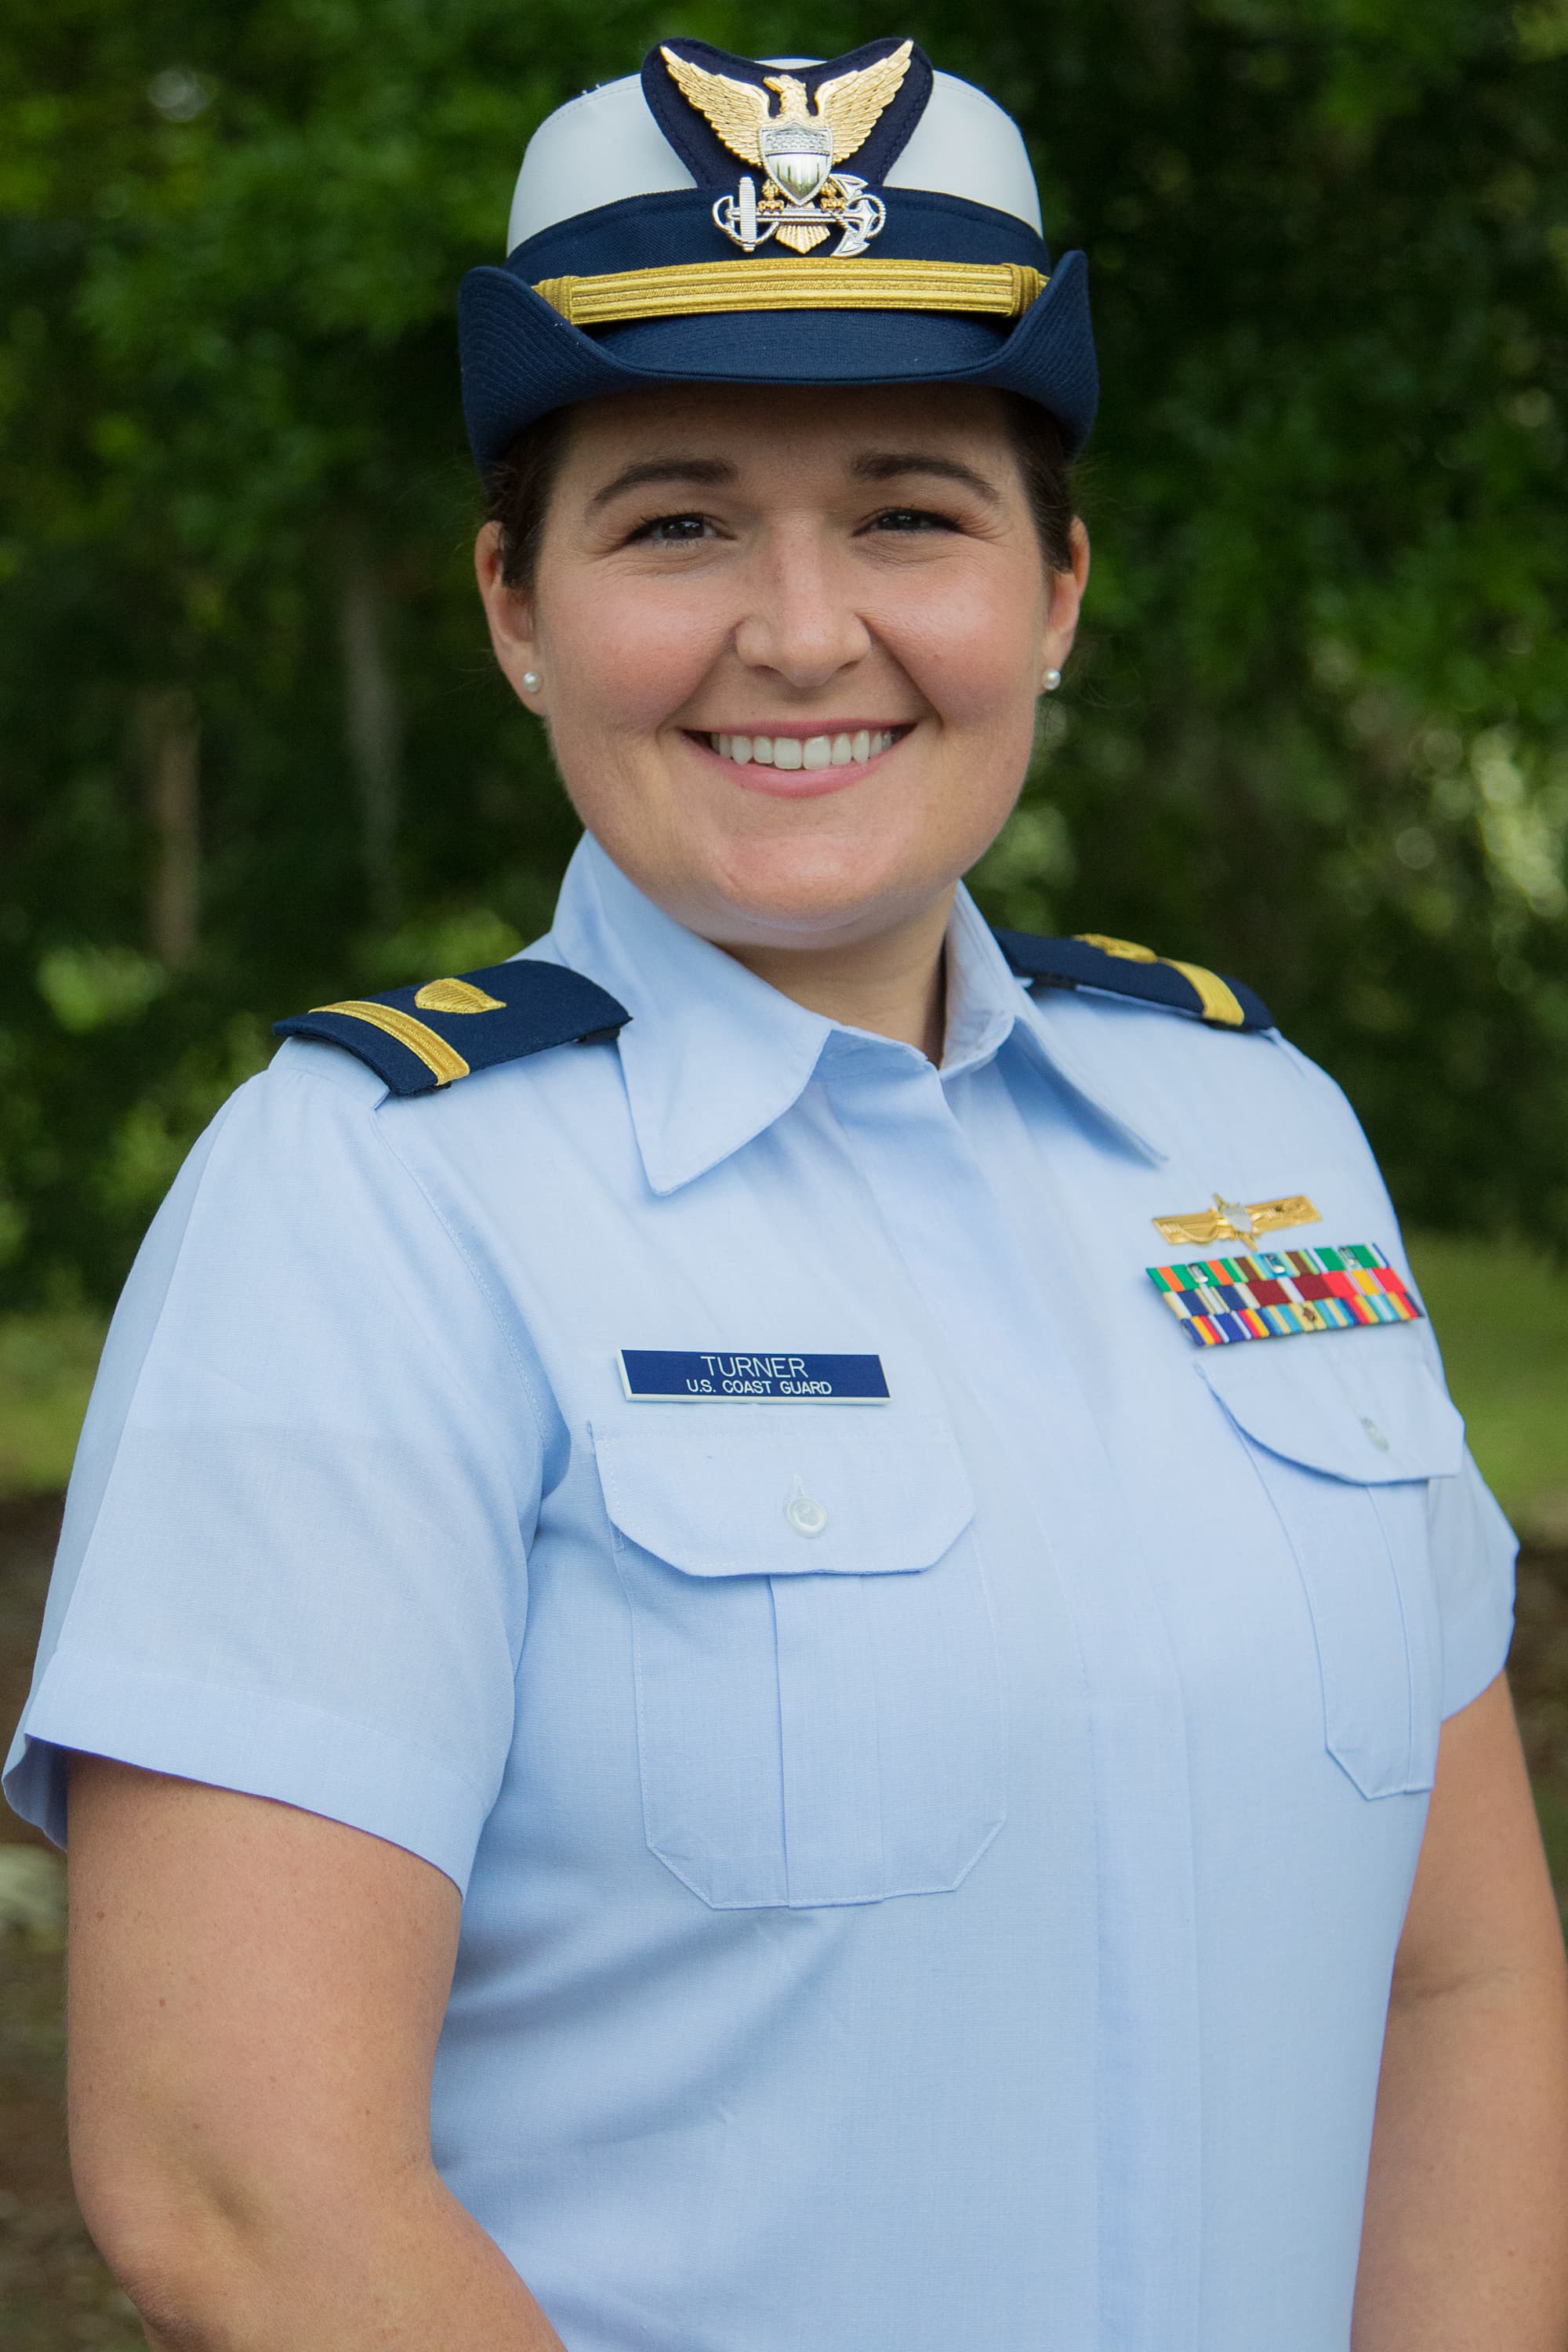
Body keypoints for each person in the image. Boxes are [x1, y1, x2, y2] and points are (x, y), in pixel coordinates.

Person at [6, 37, 1567, 2352]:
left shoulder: (1257, 1138)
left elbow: (1448, 1976)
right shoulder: (368, 1210)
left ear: (1056, 589)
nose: (805, 627)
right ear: (518, 608)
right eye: (680, 522)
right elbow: (239, 2185)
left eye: (914, 513)